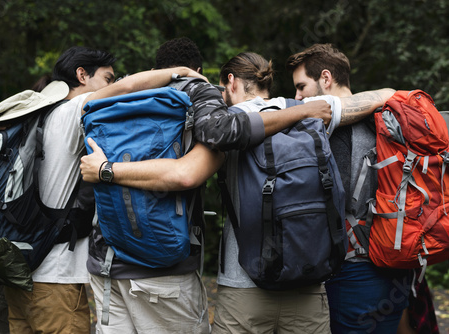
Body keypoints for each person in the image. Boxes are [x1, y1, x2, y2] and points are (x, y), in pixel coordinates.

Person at [80, 40, 394, 333]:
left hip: (243, 283)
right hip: (309, 283)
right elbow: (371, 99)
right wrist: (393, 94)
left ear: (230, 82)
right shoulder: (309, 111)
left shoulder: (226, 122)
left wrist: (106, 170)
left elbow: (186, 173)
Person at [0, 45, 206, 334]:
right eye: (108, 79)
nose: (113, 85)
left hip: (19, 269)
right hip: (55, 277)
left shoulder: (36, 114)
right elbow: (129, 86)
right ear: (82, 75)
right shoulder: (73, 110)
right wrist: (181, 72)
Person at [286, 43, 415, 333]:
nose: (297, 97)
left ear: (326, 78)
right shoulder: (387, 121)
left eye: (301, 86)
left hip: (355, 271)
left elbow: (334, 197)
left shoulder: (338, 130)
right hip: (397, 262)